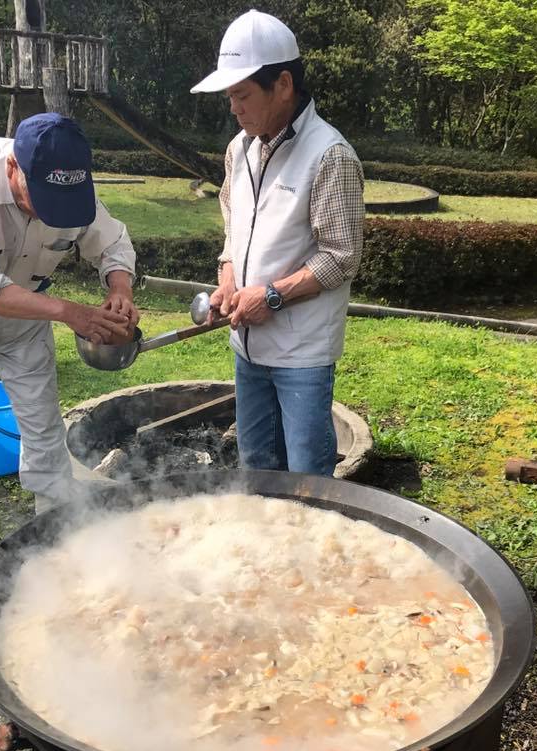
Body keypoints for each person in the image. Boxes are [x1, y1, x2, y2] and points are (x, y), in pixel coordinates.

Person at [0, 112, 138, 565]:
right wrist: (71, 313)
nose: (50, 212)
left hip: (27, 312)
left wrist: (119, 286)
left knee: (41, 417)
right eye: (43, 197)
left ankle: (52, 522)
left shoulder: (72, 187)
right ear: (13, 167)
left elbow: (112, 242)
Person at [191, 9, 364, 477]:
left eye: (242, 95)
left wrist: (270, 295)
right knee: (257, 464)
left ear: (283, 85)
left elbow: (342, 256)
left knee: (307, 474)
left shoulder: (329, 155)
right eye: (229, 97)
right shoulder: (239, 148)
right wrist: (228, 278)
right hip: (247, 348)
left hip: (301, 354)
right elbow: (233, 226)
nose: (234, 108)